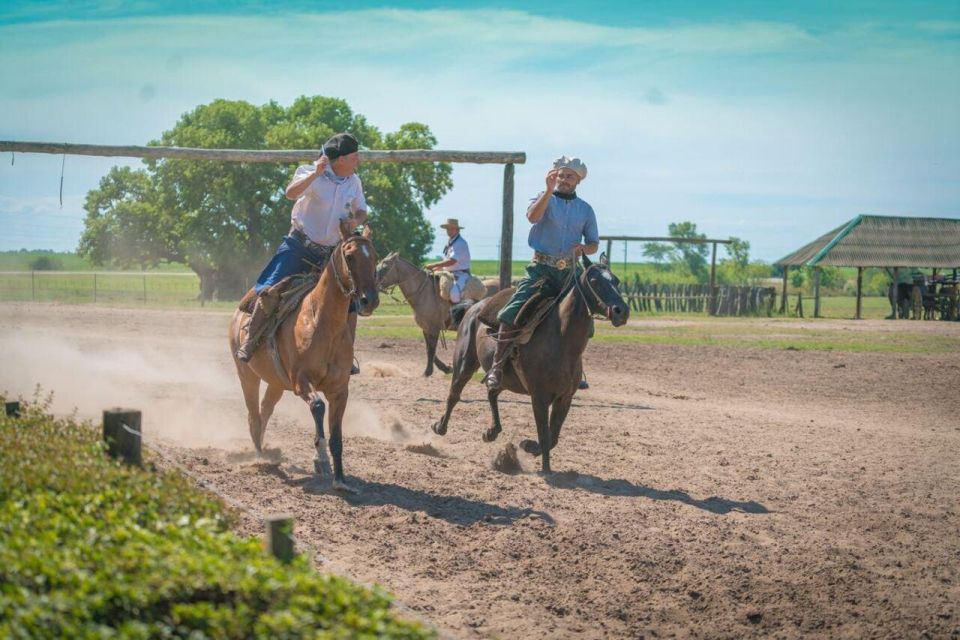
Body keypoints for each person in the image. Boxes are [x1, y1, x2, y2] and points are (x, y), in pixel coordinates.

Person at [235, 132, 367, 366]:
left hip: (331, 254)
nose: (359, 160)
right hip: (299, 247)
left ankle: (346, 357)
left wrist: (356, 222)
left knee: (351, 300)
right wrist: (316, 172)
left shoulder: (354, 182)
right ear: (341, 159)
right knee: (269, 290)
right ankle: (250, 340)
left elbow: (362, 211)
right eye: (355, 156)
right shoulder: (311, 173)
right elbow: (290, 193)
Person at [486, 155, 599, 391]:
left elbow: (593, 244)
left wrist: (584, 249)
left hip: (569, 272)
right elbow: (532, 217)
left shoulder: (586, 210)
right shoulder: (543, 198)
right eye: (561, 175)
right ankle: (497, 365)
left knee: (585, 323)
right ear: (553, 176)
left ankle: (575, 368)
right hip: (541, 270)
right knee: (511, 311)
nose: (564, 180)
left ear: (578, 181)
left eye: (570, 176)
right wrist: (548, 192)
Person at [425, 218, 472, 304]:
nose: (449, 231)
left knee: (454, 293)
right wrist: (437, 268)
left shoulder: (460, 243)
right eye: (447, 229)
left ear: (457, 230)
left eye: (451, 229)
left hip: (461, 274)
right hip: (449, 273)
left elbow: (452, 261)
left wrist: (433, 265)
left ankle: (458, 313)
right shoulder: (451, 242)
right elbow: (447, 261)